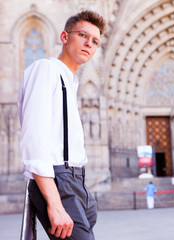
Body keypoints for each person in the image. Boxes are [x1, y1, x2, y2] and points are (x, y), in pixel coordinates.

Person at [17, 10, 106, 240]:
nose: (89, 44)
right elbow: (34, 140)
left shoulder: (70, 81)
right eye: (83, 35)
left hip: (77, 183)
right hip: (59, 180)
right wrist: (55, 203)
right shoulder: (46, 69)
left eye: (95, 41)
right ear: (64, 37)